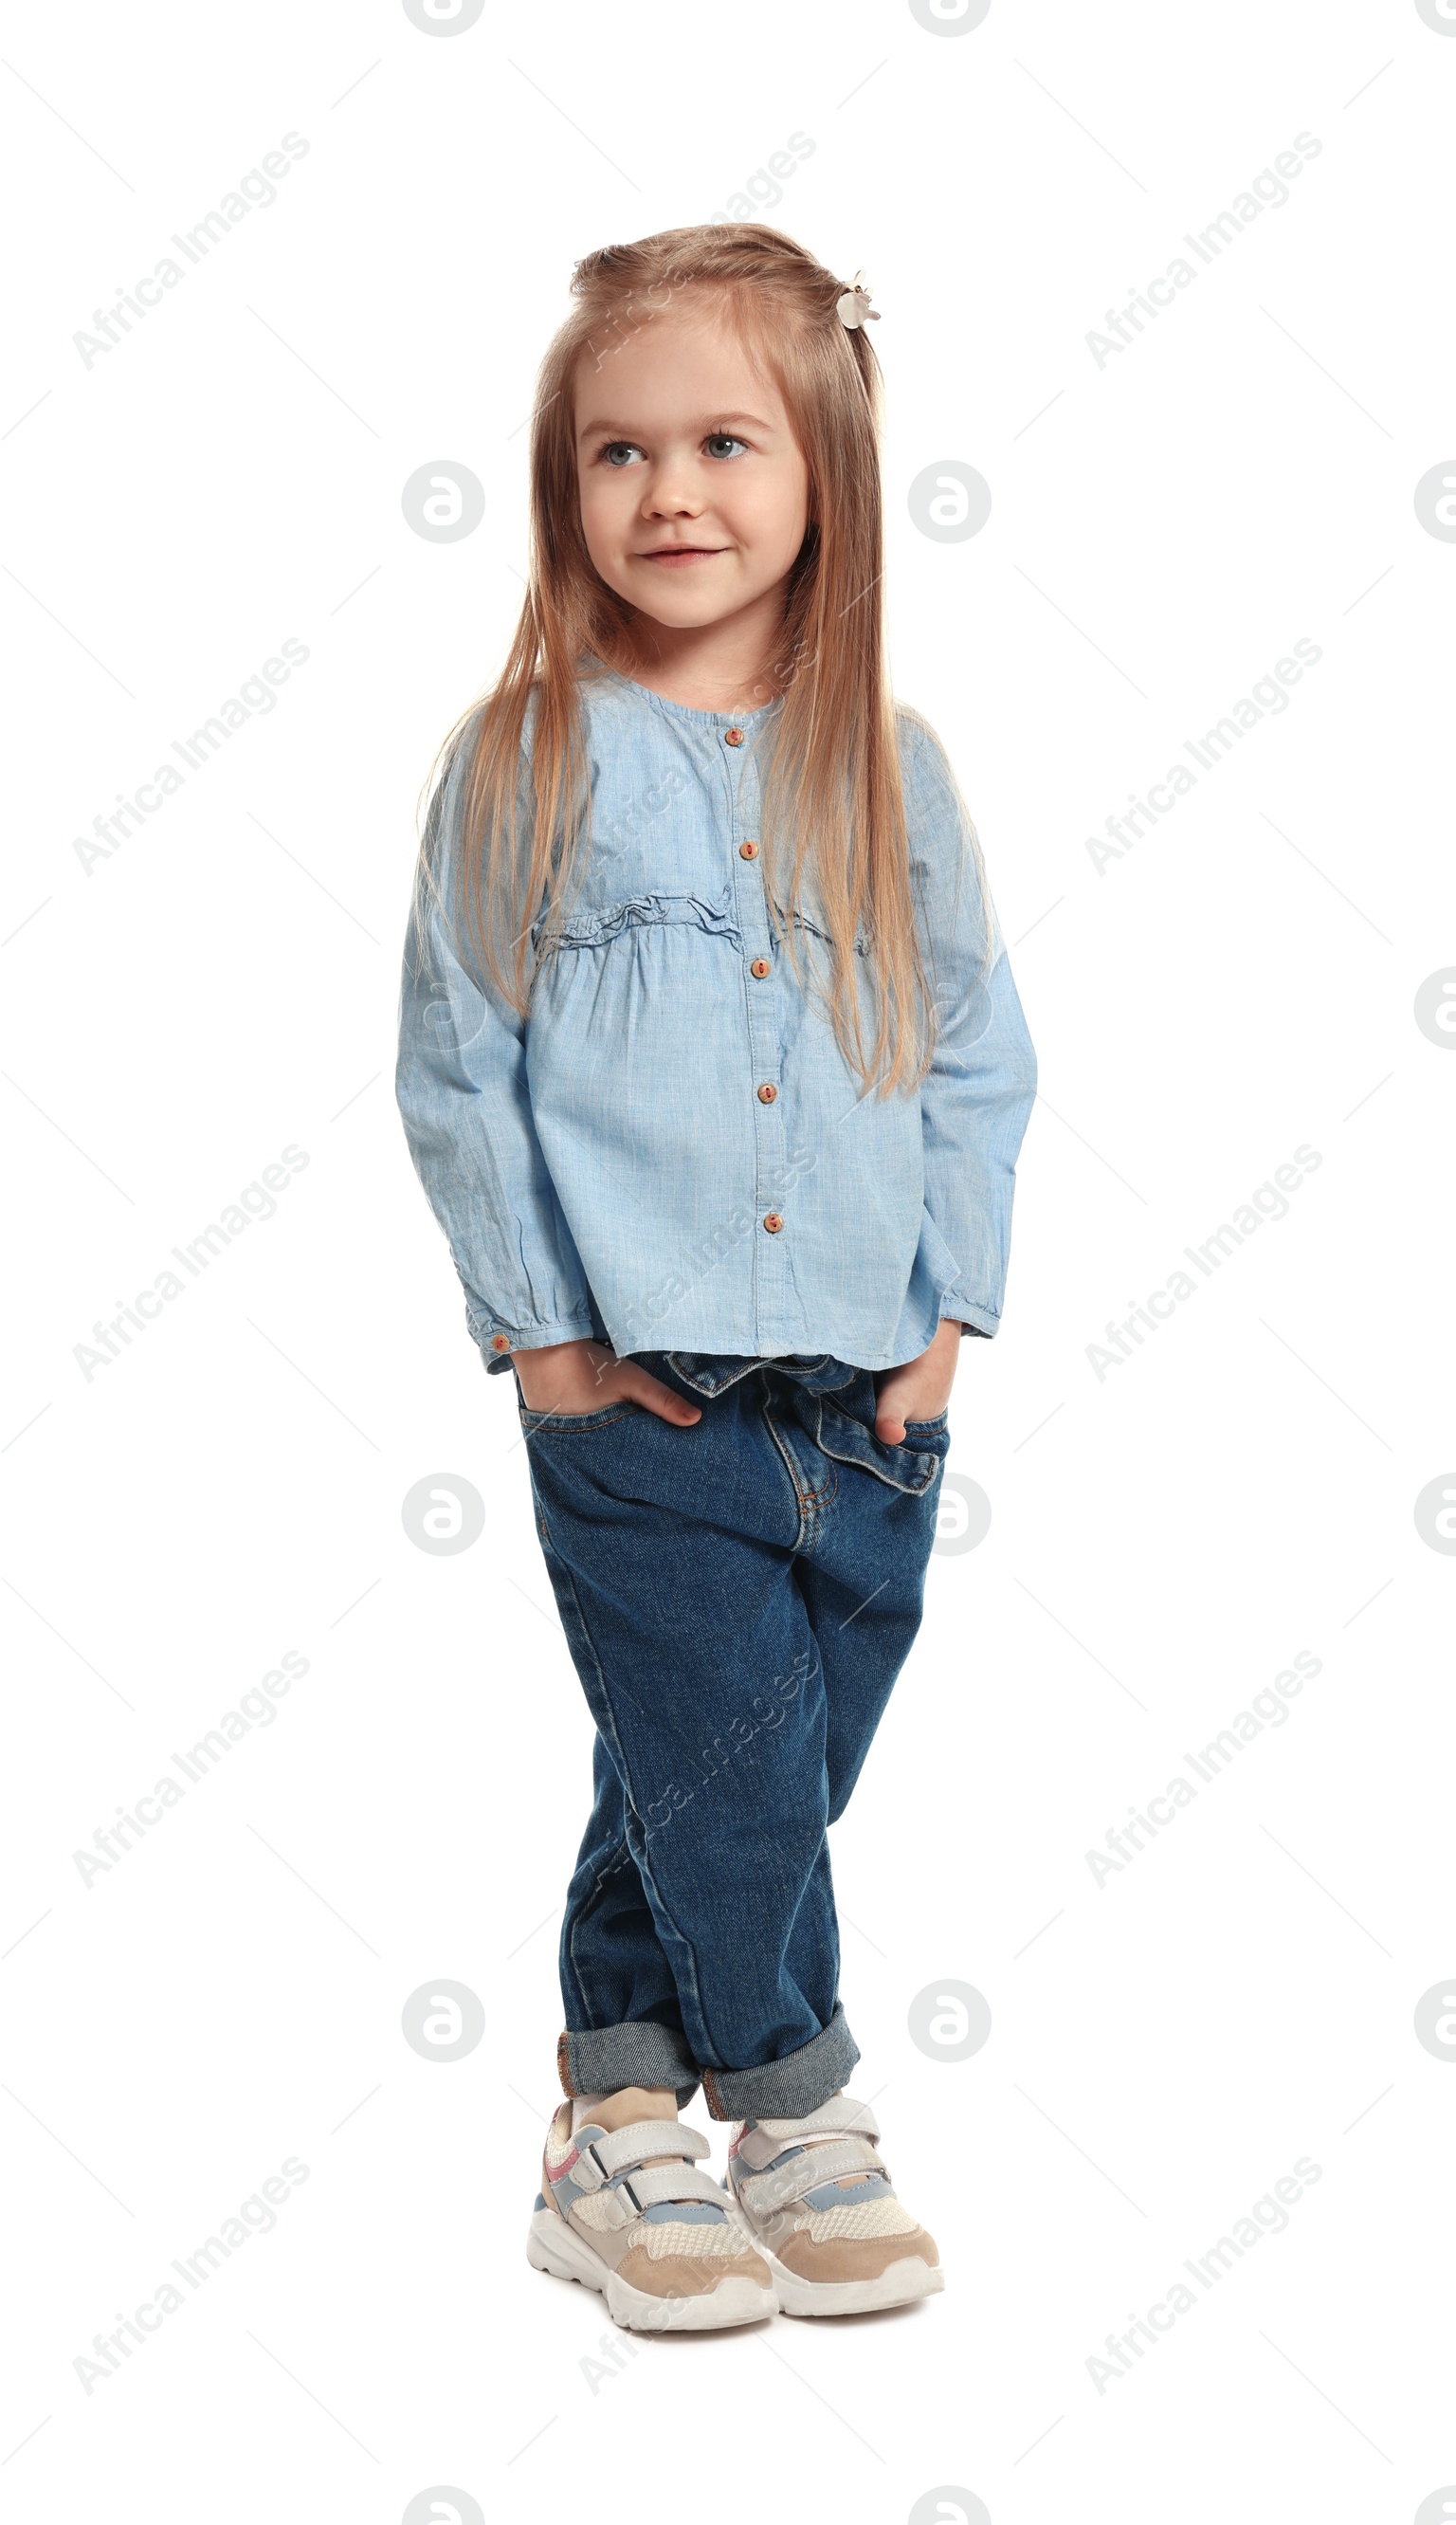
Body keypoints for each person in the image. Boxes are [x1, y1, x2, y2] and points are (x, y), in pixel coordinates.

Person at [396, 223, 1036, 2332]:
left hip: (866, 1386)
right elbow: (457, 1067)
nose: (667, 493)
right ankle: (792, 2106)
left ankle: (607, 2112)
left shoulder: (893, 762)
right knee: (727, 1757)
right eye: (616, 453)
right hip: (636, 1385)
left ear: (824, 473)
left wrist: (944, 1317)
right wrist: (547, 1341)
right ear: (561, 487)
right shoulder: (523, 761)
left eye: (722, 443)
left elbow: (968, 1052)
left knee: (720, 1764)